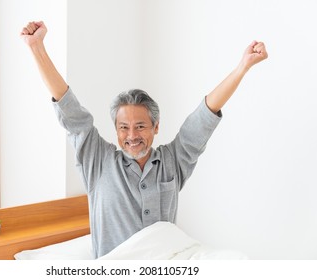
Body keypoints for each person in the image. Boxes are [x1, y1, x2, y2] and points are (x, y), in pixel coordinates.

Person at [20, 21, 268, 258]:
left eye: (140, 126)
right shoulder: (97, 160)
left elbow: (204, 116)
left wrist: (242, 67)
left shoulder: (173, 160)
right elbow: (69, 108)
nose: (131, 136)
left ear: (156, 127)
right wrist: (37, 48)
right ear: (116, 130)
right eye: (123, 128)